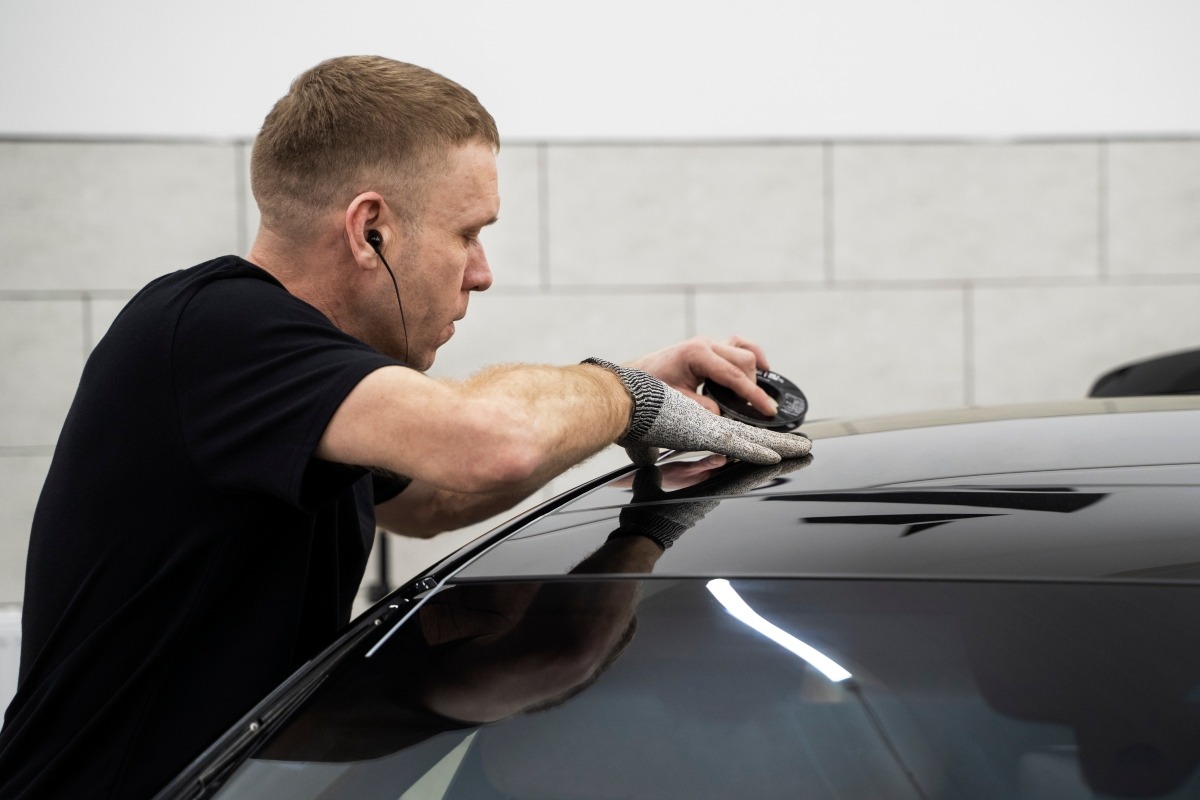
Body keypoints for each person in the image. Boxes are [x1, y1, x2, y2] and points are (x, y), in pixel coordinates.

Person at [0, 55, 810, 799]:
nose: (482, 273)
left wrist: (649, 516)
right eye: (469, 234)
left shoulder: (296, 383)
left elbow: (428, 499)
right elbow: (488, 444)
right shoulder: (212, 330)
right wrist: (629, 394)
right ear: (370, 230)